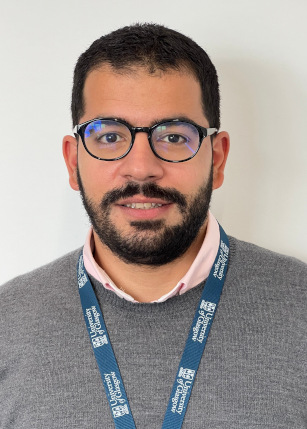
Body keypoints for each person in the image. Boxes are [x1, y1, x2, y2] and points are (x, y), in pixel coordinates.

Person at [0, 23, 306, 429]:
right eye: (109, 136)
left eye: (174, 137)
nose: (141, 168)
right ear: (73, 161)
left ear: (216, 159)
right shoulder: (7, 323)